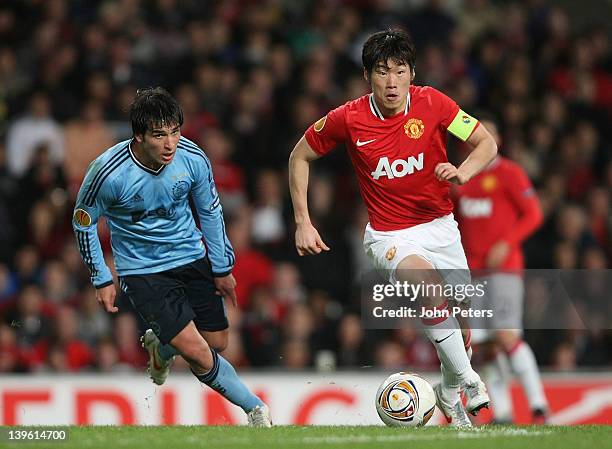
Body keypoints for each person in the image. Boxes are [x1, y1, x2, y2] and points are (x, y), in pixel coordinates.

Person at [288, 29, 497, 427]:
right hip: (389, 235)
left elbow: (486, 142)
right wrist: (303, 221)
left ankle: (449, 390)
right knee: (427, 285)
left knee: (464, 323)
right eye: (382, 72)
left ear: (411, 74)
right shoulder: (348, 117)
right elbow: (299, 156)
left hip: (441, 227)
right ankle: (470, 381)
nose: (391, 81)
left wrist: (463, 171)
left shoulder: (433, 102)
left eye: (400, 71)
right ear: (368, 76)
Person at [72, 87, 271, 427]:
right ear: (138, 135)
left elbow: (210, 212)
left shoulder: (192, 159)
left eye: (175, 132)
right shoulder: (108, 173)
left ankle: (160, 348)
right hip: (143, 271)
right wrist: (101, 276)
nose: (170, 144)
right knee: (196, 351)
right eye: (159, 135)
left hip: (191, 258)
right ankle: (256, 410)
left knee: (217, 342)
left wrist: (222, 267)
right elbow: (83, 221)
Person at [455, 117, 549, 424]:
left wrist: (506, 244)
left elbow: (534, 214)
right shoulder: (462, 177)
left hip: (505, 270)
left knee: (507, 336)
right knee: (483, 345)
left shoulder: (510, 173)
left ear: (496, 139)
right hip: (473, 272)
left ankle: (539, 406)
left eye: (487, 132)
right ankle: (504, 412)